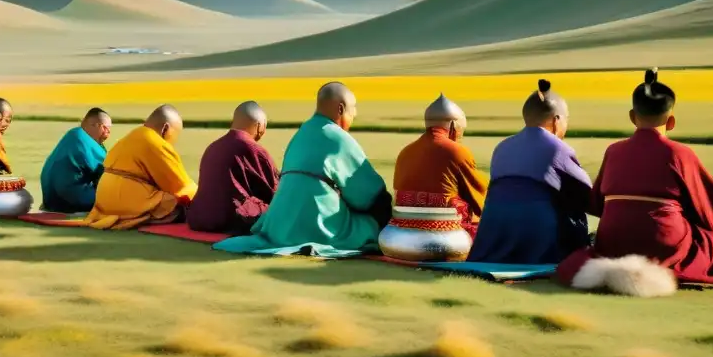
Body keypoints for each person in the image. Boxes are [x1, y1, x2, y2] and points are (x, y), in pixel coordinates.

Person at [559, 69, 713, 292]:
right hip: (662, 242)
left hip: (613, 241)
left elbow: (598, 204)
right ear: (672, 121)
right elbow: (706, 211)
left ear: (632, 116)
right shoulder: (679, 153)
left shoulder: (614, 151)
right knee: (712, 245)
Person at [214, 83, 391, 258]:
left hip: (279, 226)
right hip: (318, 226)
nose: (355, 114)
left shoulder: (299, 134)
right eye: (353, 109)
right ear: (340, 108)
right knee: (374, 221)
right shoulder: (338, 138)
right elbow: (367, 196)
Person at [468, 80, 593, 264]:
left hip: (495, 233)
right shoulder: (558, 149)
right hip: (538, 232)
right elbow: (587, 195)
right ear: (556, 120)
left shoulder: (501, 147)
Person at [83, 105, 197, 230]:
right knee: (178, 205)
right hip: (126, 201)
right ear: (165, 129)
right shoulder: (154, 141)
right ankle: (139, 217)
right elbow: (179, 185)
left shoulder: (129, 137)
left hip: (103, 202)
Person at [392, 94, 488, 238]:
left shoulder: (405, 152)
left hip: (402, 233)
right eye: (462, 130)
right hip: (444, 233)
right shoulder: (457, 152)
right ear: (453, 126)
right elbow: (480, 199)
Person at [187, 101, 280, 235]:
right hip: (231, 219)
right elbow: (272, 191)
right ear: (259, 126)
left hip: (199, 218)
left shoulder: (213, 147)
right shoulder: (253, 148)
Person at [40, 108, 112, 214]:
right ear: (96, 125)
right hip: (70, 201)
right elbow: (109, 172)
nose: (108, 133)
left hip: (49, 201)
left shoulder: (73, 135)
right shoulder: (85, 141)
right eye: (106, 128)